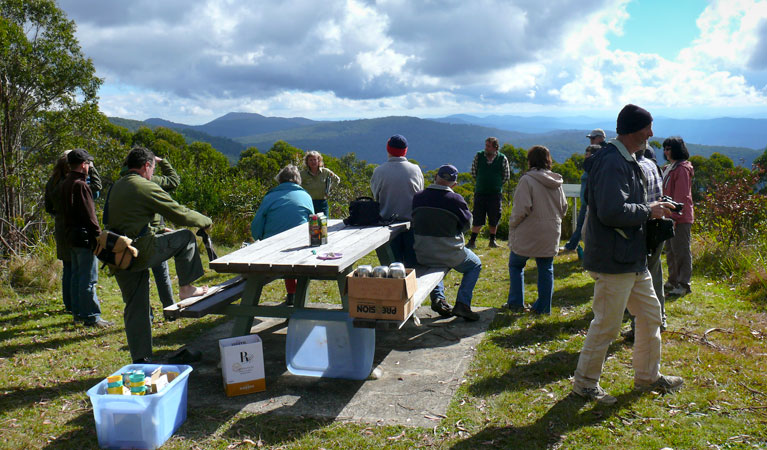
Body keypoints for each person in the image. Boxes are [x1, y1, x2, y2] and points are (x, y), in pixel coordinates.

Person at [572, 104, 683, 405]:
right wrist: (650, 210)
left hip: (631, 257)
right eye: (648, 127)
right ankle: (584, 384)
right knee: (607, 325)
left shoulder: (629, 159)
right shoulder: (612, 162)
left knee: (649, 317)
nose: (652, 133)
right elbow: (610, 211)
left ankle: (647, 376)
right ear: (635, 130)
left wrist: (653, 206)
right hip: (614, 258)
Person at [106, 146, 211, 363]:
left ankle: (141, 359)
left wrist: (157, 230)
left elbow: (124, 219)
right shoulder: (142, 185)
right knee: (186, 238)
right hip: (139, 251)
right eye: (152, 168)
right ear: (146, 166)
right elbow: (180, 214)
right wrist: (205, 221)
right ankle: (186, 289)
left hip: (117, 253)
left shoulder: (118, 185)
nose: (153, 173)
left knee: (136, 306)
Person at [370, 135, 450, 317]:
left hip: (388, 227)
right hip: (413, 224)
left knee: (394, 268)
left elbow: (376, 195)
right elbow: (419, 193)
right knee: (420, 265)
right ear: (405, 151)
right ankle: (436, 298)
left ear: (388, 149)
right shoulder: (415, 170)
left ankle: (400, 306)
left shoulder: (379, 171)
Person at [412, 165, 482, 321]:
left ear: (435, 177)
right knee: (475, 265)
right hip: (449, 253)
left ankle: (438, 299)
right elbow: (467, 225)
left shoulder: (418, 197)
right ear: (454, 184)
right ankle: (463, 304)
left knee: (435, 263)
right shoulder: (456, 200)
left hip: (422, 252)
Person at [506, 146, 568, 314]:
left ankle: (516, 302)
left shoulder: (527, 180)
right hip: (551, 229)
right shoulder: (556, 182)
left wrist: (512, 225)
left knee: (516, 264)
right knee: (546, 268)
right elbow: (564, 207)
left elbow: (521, 209)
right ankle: (543, 308)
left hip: (528, 230)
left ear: (530, 161)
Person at [120, 156, 182, 316]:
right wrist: (162, 162)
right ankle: (170, 310)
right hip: (152, 236)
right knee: (162, 274)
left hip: (128, 240)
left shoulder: (121, 184)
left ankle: (147, 314)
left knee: (140, 279)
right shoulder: (150, 181)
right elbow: (174, 180)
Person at [61, 149, 112, 327]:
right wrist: (99, 235)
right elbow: (90, 215)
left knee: (76, 276)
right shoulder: (81, 185)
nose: (90, 166)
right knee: (88, 278)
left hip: (70, 235)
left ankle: (78, 314)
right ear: (84, 165)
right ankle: (92, 316)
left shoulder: (66, 182)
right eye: (89, 163)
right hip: (83, 237)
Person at [251, 164, 314, 305]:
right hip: (300, 246)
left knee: (286, 256)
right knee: (293, 256)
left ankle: (292, 294)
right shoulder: (306, 196)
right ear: (298, 180)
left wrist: (259, 239)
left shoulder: (270, 196)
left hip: (272, 248)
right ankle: (296, 296)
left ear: (280, 179)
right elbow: (313, 221)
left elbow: (257, 224)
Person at [625, 142, 669, 341]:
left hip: (643, 227)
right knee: (656, 273)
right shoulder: (654, 166)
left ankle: (640, 328)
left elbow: (637, 202)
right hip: (658, 227)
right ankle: (660, 318)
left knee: (640, 281)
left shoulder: (637, 168)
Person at [662, 137, 695, 297]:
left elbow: (681, 195)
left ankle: (683, 284)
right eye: (665, 148)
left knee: (681, 250)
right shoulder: (670, 167)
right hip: (669, 216)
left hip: (680, 217)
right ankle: (673, 280)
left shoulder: (682, 169)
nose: (666, 152)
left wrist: (675, 216)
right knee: (670, 249)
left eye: (669, 148)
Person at [467, 137, 510, 249]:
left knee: (494, 216)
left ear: (495, 147)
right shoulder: (479, 156)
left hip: (495, 193)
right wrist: (482, 182)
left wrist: (496, 184)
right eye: (486, 145)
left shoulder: (502, 158)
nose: (486, 148)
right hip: (480, 192)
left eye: (488, 146)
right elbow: (473, 172)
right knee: (477, 216)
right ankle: (472, 241)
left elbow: (506, 176)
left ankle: (492, 240)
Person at [44, 152, 73, 314]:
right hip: (73, 226)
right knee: (76, 268)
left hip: (60, 226)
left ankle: (68, 304)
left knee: (67, 268)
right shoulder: (71, 182)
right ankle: (75, 304)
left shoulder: (52, 182)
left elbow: (48, 207)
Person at [561, 144, 601, 255]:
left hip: (589, 203)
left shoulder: (594, 168)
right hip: (585, 202)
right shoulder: (589, 167)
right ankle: (574, 246)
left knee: (582, 227)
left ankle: (572, 246)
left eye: (587, 154)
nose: (585, 156)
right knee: (581, 226)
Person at [300, 150, 340, 218]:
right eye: (310, 160)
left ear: (319, 161)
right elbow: (296, 184)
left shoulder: (325, 172)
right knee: (310, 225)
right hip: (308, 203)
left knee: (324, 223)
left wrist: (329, 188)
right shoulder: (302, 174)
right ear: (307, 162)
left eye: (315, 159)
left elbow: (337, 180)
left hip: (322, 203)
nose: (313, 162)